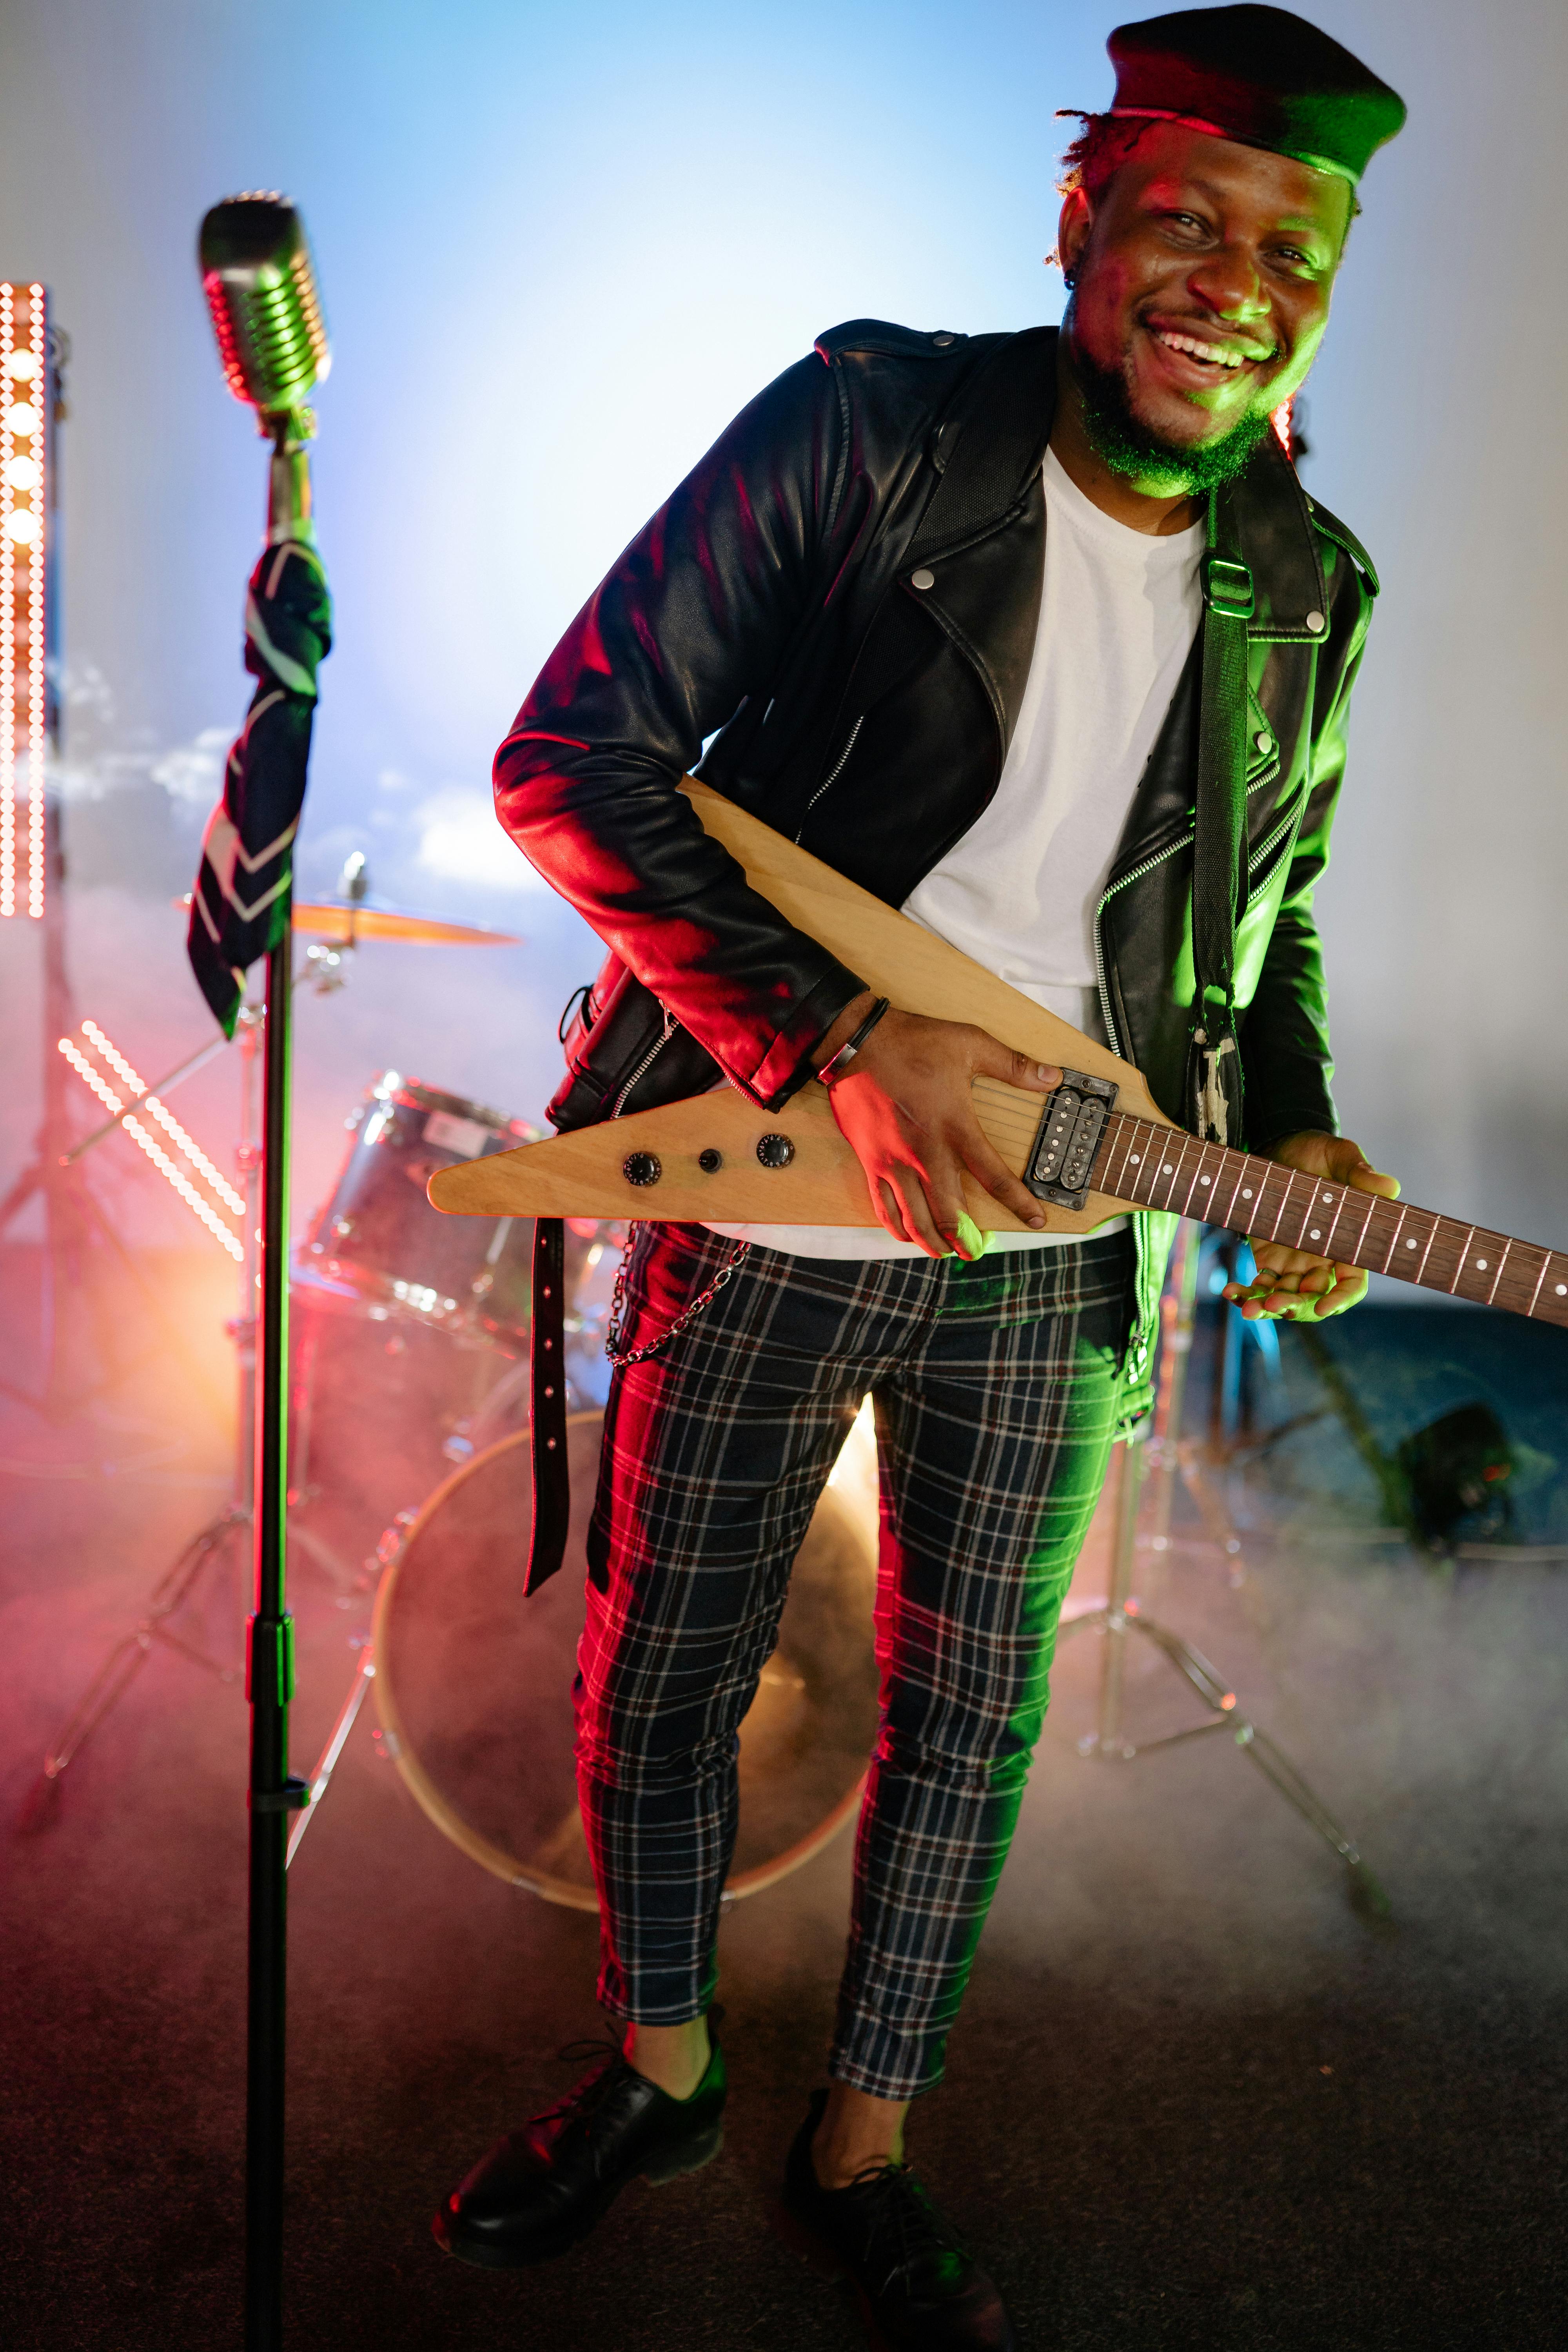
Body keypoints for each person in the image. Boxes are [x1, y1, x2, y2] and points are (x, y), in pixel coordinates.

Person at [435, 11, 1406, 2345]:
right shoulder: (871, 432)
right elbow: (573, 759)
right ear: (1084, 210)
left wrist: (1297, 1127)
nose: (1234, 277)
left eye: (1297, 243)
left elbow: (1269, 930)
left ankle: (864, 2135)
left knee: (970, 1720)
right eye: (1186, 211)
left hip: (1062, 1256)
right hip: (770, 1188)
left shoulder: (1316, 582)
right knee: (670, 1674)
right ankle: (659, 2064)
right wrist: (845, 1039)